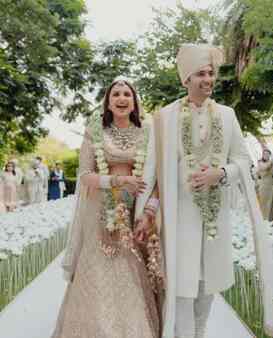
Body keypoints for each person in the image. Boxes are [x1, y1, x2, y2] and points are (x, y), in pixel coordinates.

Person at [153, 43, 273, 338]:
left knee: (206, 296)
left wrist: (220, 173)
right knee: (181, 298)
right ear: (186, 80)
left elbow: (243, 159)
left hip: (215, 219)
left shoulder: (227, 115)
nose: (209, 79)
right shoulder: (165, 117)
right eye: (201, 74)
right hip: (179, 218)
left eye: (211, 73)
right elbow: (153, 169)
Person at [53, 78, 162, 338]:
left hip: (135, 209)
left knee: (131, 265)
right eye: (116, 94)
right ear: (108, 102)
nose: (122, 98)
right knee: (101, 264)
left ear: (134, 101)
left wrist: (149, 211)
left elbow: (157, 175)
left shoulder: (148, 132)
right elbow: (85, 175)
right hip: (101, 210)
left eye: (127, 94)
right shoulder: (95, 131)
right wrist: (118, 180)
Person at [257, 148, 273, 221]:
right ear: (262, 155)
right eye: (265, 154)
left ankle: (268, 219)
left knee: (269, 203)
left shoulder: (272, 163)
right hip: (263, 184)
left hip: (271, 185)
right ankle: (261, 219)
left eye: (268, 154)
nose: (266, 155)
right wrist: (271, 163)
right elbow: (264, 168)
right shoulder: (260, 162)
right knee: (262, 202)